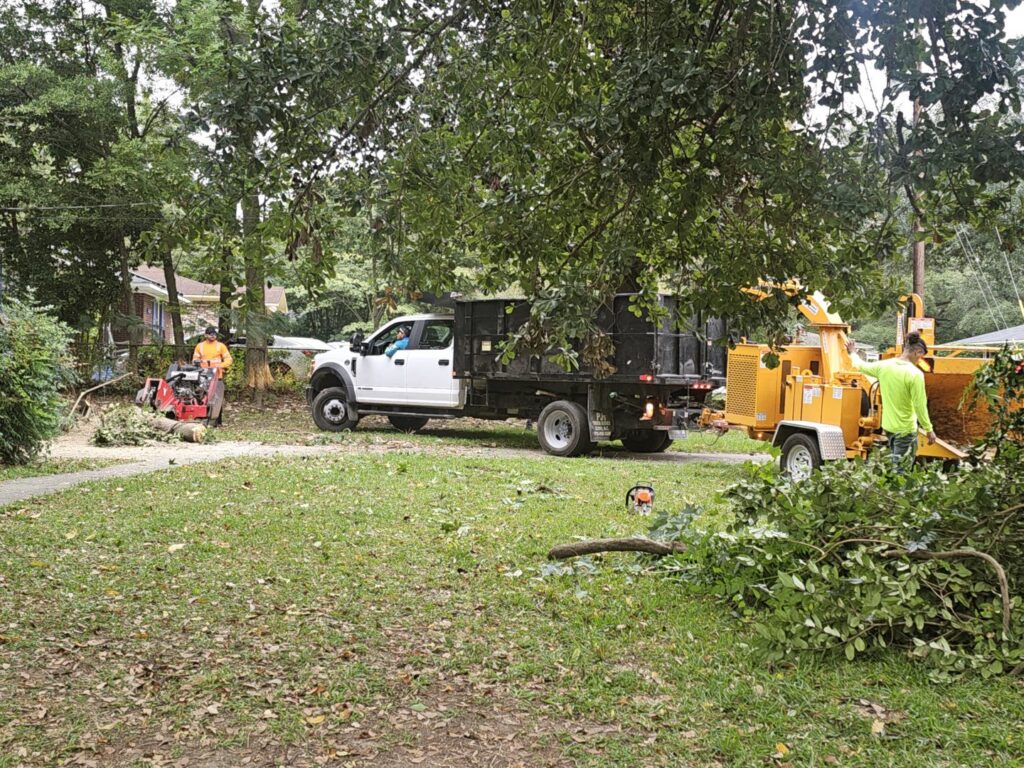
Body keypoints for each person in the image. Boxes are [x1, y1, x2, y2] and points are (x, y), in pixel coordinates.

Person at [845, 332, 937, 472]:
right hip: (905, 430)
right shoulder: (915, 374)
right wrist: (929, 429)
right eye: (921, 356)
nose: (920, 360)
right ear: (917, 352)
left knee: (896, 465)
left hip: (889, 428)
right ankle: (898, 493)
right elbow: (920, 405)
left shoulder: (884, 366)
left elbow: (860, 366)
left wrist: (852, 352)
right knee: (901, 472)